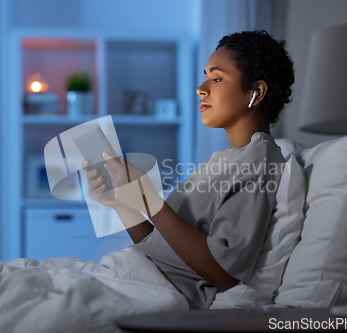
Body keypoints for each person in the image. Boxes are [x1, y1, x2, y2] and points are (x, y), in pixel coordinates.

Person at [82, 30, 295, 309]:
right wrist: (122, 204)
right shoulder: (226, 159)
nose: (201, 88)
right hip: (135, 275)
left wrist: (149, 197)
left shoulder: (260, 163)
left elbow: (224, 273)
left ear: (256, 92)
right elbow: (162, 250)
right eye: (206, 76)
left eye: (216, 78)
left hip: (153, 292)